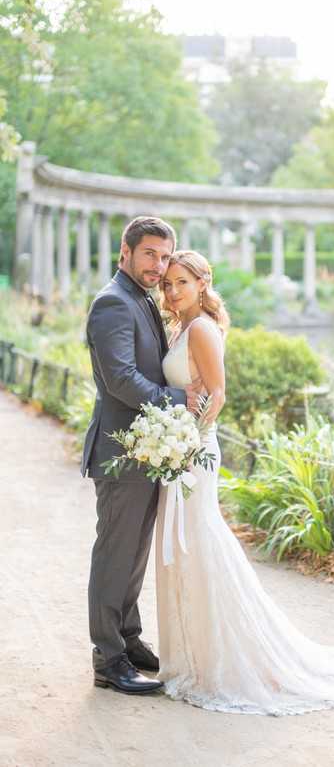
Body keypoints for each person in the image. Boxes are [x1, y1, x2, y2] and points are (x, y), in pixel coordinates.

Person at [156, 250, 334, 715]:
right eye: (167, 284)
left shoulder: (200, 328)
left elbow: (218, 395)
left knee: (199, 541)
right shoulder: (182, 325)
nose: (173, 291)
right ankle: (195, 658)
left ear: (202, 283)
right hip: (182, 449)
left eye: (181, 282)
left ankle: (222, 661)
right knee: (185, 546)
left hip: (194, 452)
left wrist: (187, 442)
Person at [83, 217, 206, 695]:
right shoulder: (113, 302)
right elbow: (120, 379)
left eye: (164, 255)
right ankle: (108, 659)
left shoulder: (143, 299)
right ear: (126, 252)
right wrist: (181, 402)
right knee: (115, 553)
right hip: (121, 450)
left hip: (146, 450)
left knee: (133, 555)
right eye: (149, 254)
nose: (158, 265)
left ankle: (129, 641)